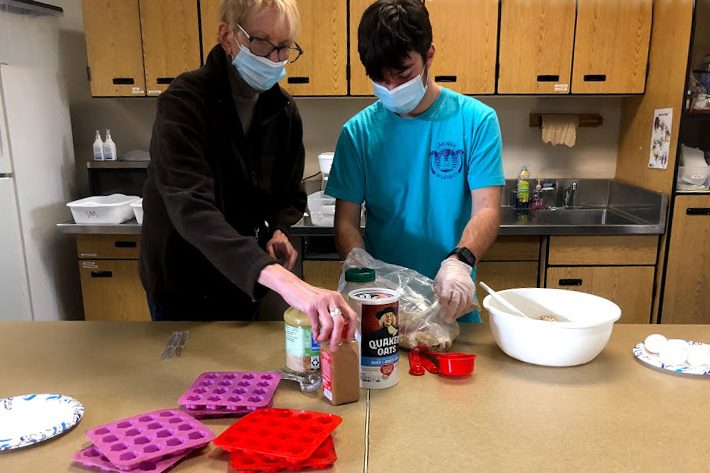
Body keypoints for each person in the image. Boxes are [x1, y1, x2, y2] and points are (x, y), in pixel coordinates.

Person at [140, 0, 355, 349]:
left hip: (240, 284)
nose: (274, 59)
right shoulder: (184, 104)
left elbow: (288, 195)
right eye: (261, 43)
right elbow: (192, 209)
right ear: (228, 36)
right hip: (183, 284)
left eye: (284, 47)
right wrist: (288, 283)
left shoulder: (282, 111)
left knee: (238, 375)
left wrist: (277, 229)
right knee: (186, 380)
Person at [326, 0, 504, 323]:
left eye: (403, 73)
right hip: (384, 311)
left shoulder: (477, 121)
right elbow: (346, 222)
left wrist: (460, 261)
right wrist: (364, 273)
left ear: (429, 55)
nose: (391, 88)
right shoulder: (358, 133)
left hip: (453, 307)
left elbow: (488, 209)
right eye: (380, 78)